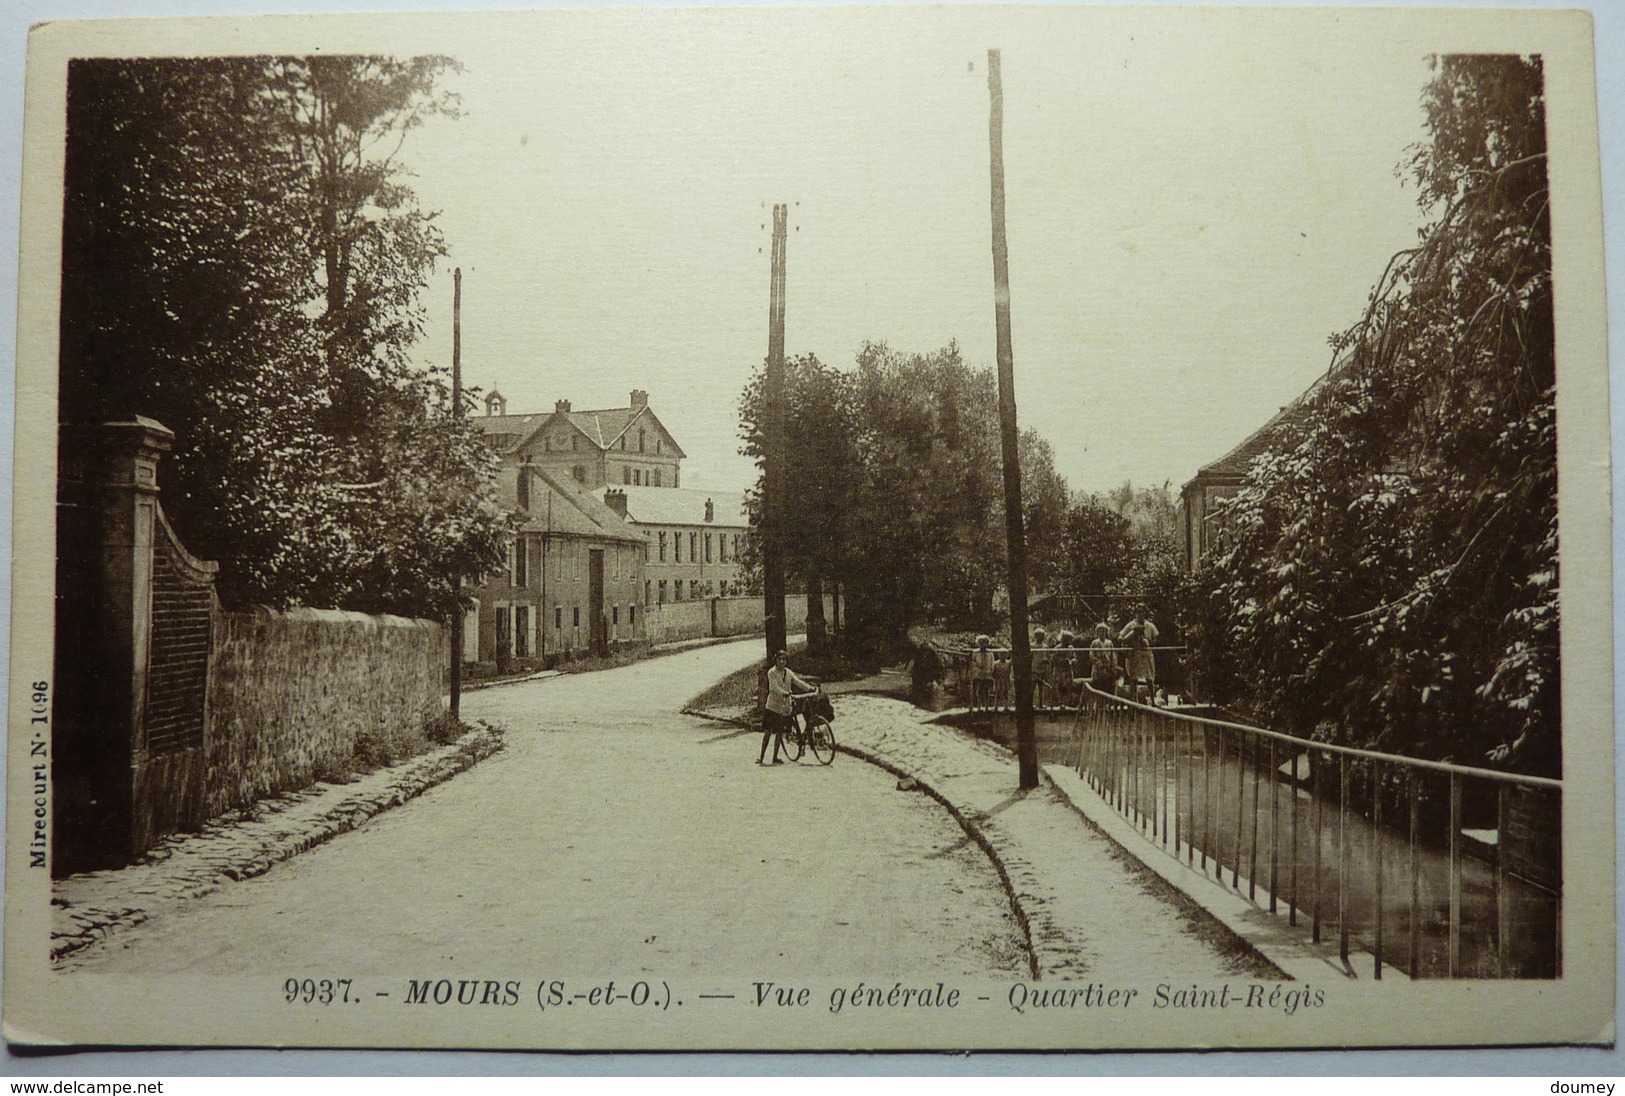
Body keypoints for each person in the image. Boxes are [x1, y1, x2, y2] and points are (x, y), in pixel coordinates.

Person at [760, 650, 815, 765]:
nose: (781, 662)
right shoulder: (772, 673)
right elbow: (773, 687)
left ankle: (775, 757)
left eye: (784, 659)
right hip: (772, 706)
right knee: (768, 731)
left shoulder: (788, 672)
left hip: (784, 706)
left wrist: (809, 688)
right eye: (779, 659)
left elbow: (798, 682)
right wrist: (784, 692)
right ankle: (761, 757)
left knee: (780, 732)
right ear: (776, 660)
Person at [1119, 606, 1160, 701]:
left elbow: (1156, 640)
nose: (1140, 614)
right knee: (1134, 678)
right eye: (1138, 612)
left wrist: (1146, 641)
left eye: (1142, 612)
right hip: (1134, 655)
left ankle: (1153, 701)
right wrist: (1129, 641)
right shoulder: (1130, 625)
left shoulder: (1150, 625)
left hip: (1146, 654)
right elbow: (1120, 637)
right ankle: (1134, 701)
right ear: (1135, 613)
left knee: (1149, 678)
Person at [1088, 623, 1118, 694]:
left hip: (1108, 669)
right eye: (1100, 631)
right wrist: (1098, 663)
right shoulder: (1095, 643)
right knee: (1098, 688)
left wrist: (1113, 666)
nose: (1102, 633)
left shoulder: (1109, 643)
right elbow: (1091, 655)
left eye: (1104, 631)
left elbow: (1113, 655)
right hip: (1098, 670)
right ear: (1097, 632)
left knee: (1109, 687)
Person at [968, 634, 995, 710]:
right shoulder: (975, 652)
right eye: (980, 643)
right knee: (979, 689)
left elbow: (992, 662)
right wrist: (977, 666)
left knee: (986, 690)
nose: (982, 644)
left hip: (987, 673)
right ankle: (979, 705)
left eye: (984, 643)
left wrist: (991, 670)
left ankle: (986, 705)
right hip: (978, 673)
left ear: (987, 643)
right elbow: (973, 662)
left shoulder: (990, 653)